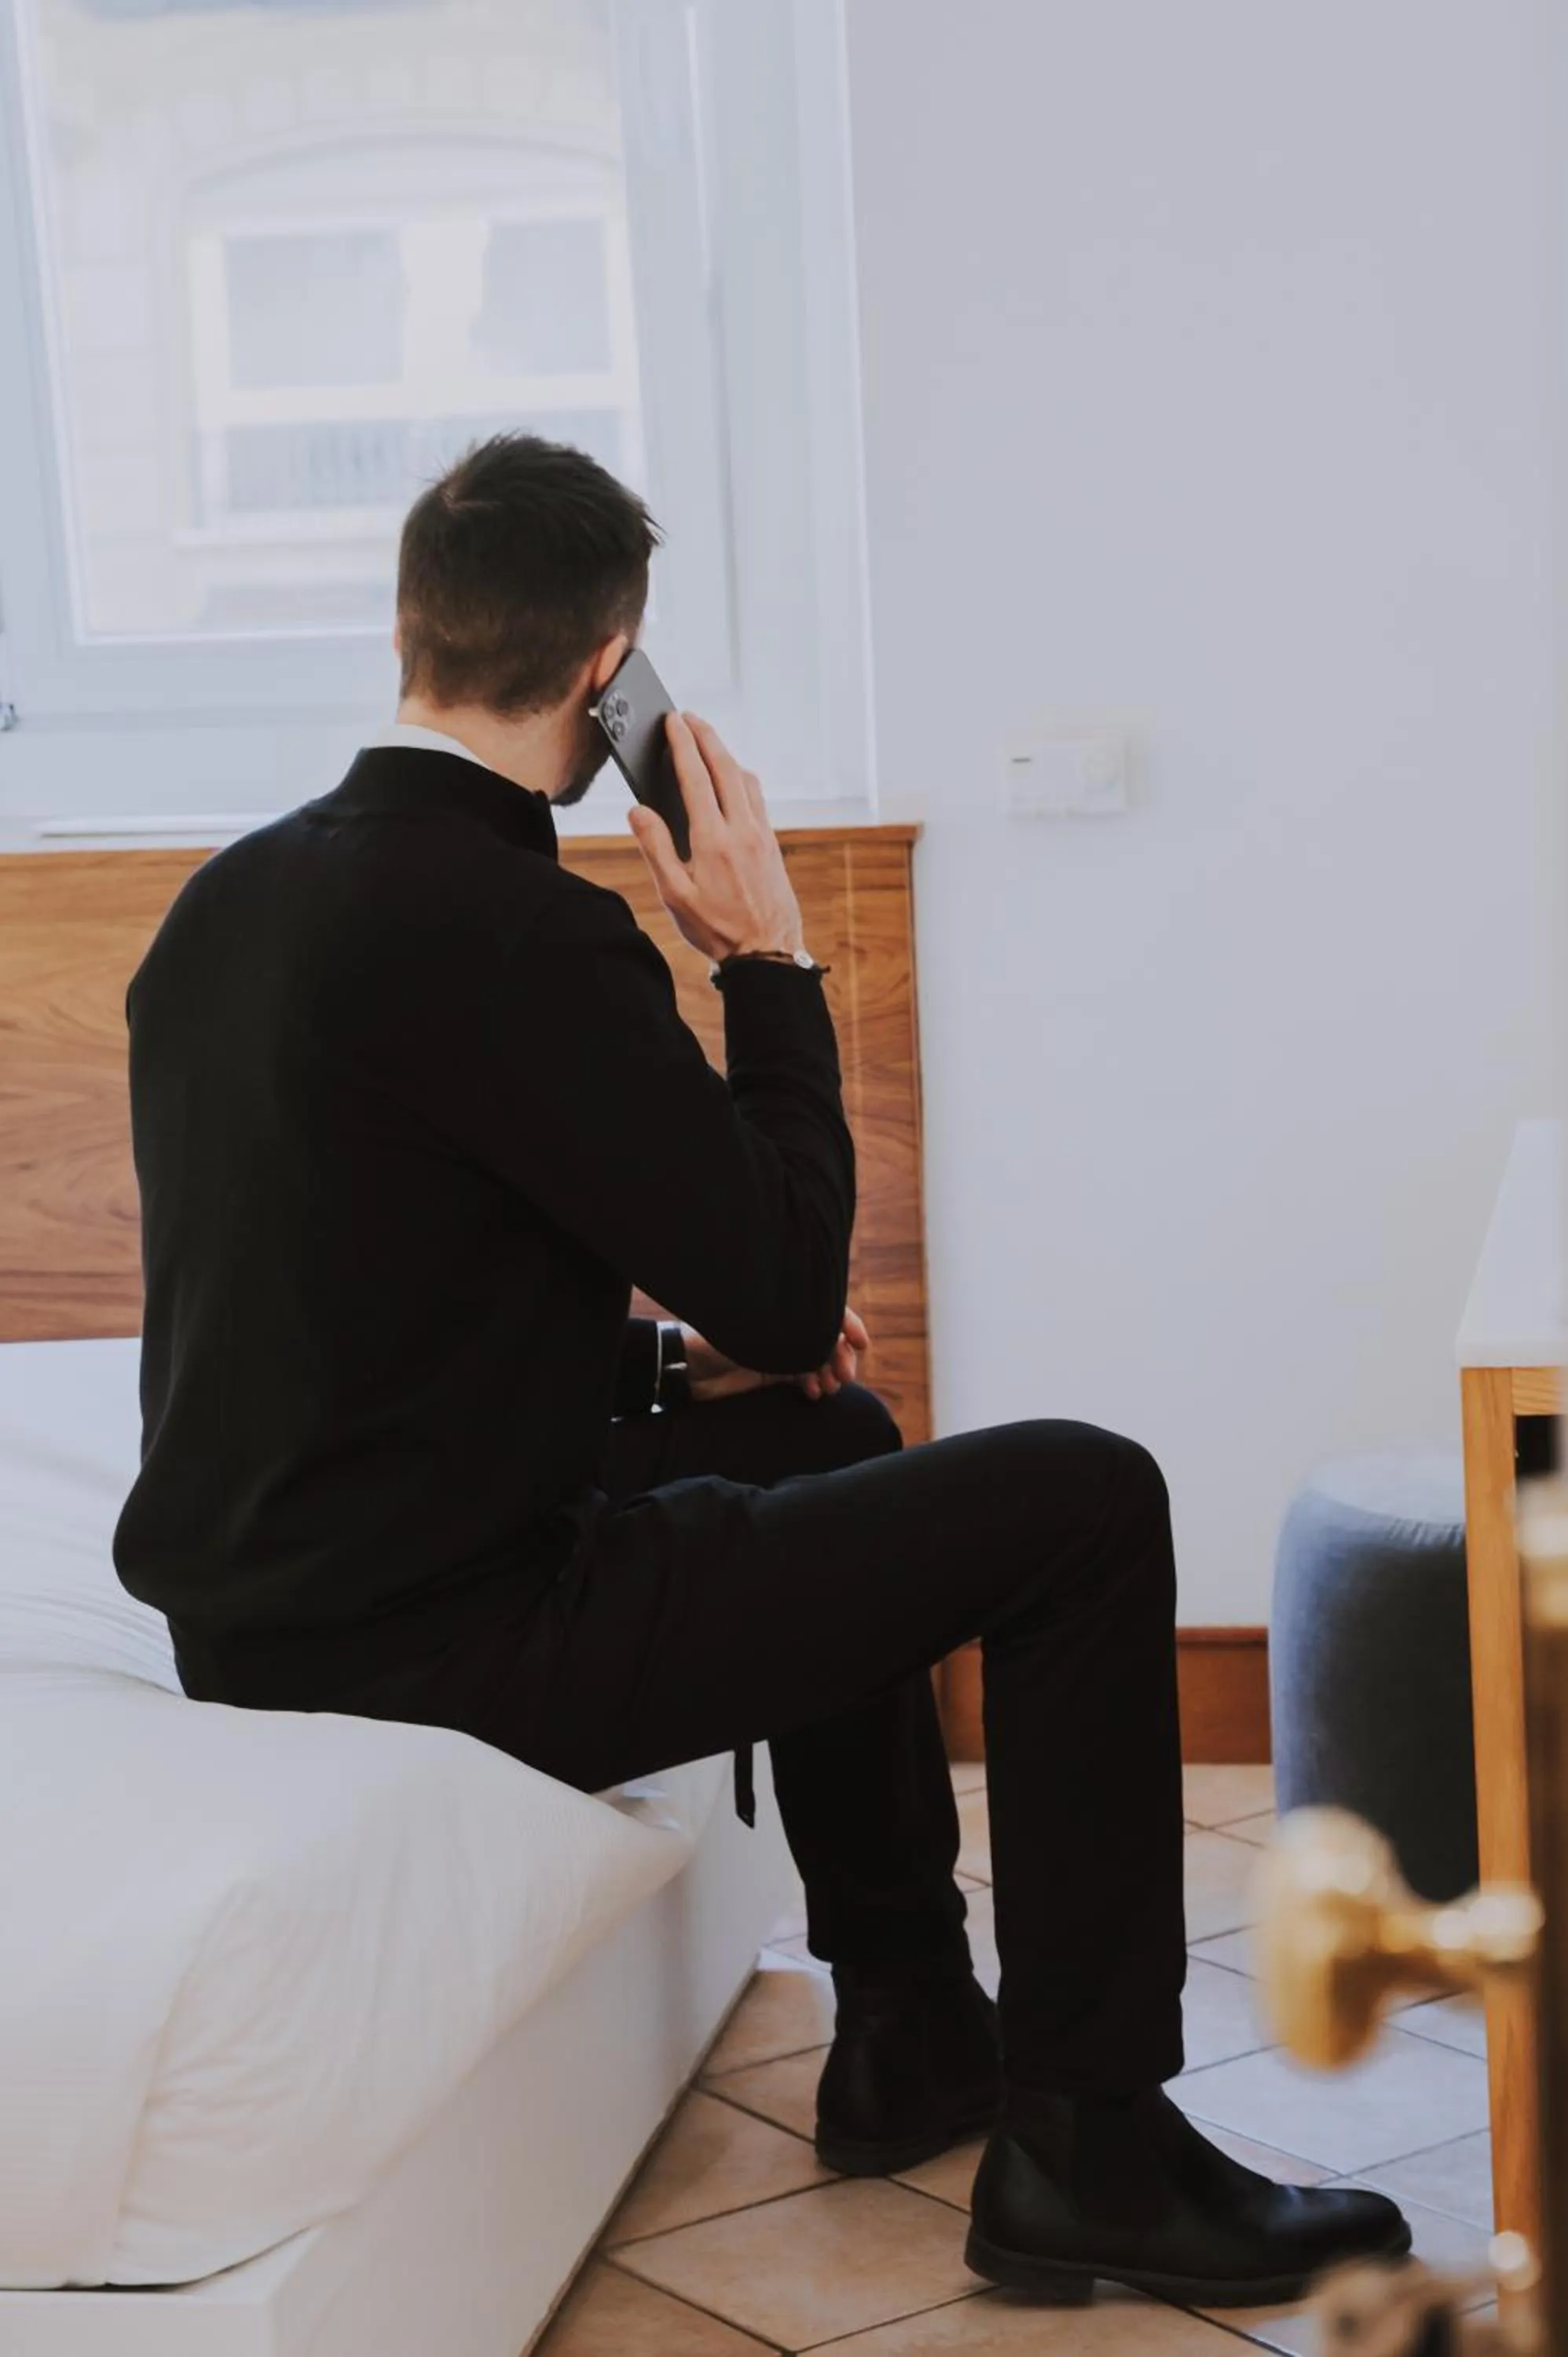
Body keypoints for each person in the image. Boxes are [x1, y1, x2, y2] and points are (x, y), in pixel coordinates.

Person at [115, 432, 1408, 2307]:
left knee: (825, 1432)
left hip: (266, 1611)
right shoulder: (523, 934)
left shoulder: (222, 912)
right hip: (447, 1640)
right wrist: (769, 954)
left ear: (409, 630)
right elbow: (796, 1278)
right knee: (1085, 1497)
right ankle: (1092, 2146)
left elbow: (361, 1303)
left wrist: (670, 1359)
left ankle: (907, 2025)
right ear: (602, 674)